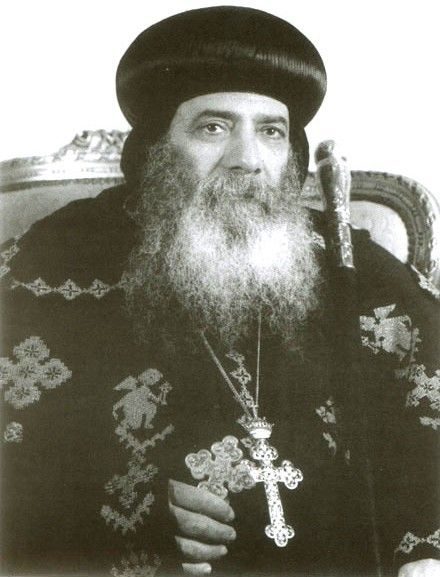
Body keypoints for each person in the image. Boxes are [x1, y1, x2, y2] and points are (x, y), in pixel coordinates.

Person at [1, 6, 439, 577]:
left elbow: (425, 412)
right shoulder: (54, 263)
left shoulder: (345, 264)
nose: (248, 161)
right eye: (214, 127)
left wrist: (424, 550)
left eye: (271, 131)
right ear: (156, 147)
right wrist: (121, 517)